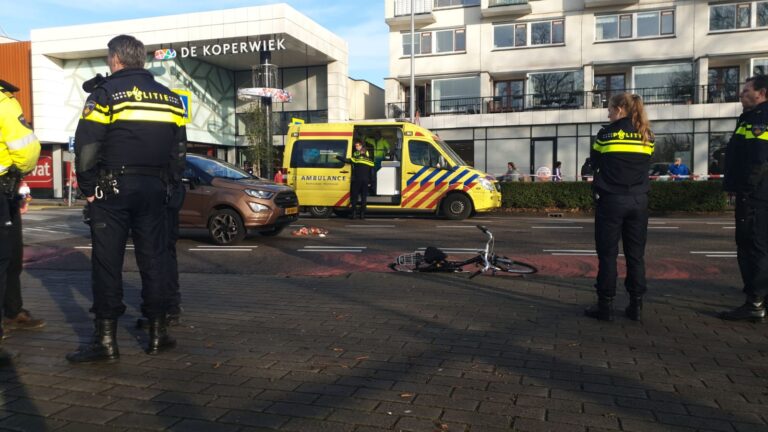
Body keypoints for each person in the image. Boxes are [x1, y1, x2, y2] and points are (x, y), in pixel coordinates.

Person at [66, 35, 187, 363]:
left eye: (109, 57)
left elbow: (88, 146)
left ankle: (105, 342)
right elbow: (179, 152)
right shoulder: (171, 99)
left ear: (116, 59)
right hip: (155, 190)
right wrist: (172, 184)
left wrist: (89, 189)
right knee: (155, 260)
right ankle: (158, 334)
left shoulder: (104, 94)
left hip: (112, 191)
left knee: (107, 264)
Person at [586, 93, 654, 321]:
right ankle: (637, 305)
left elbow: (594, 162)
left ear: (620, 109)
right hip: (639, 201)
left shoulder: (606, 134)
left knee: (608, 254)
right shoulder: (647, 135)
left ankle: (605, 305)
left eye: (610, 108)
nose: (608, 113)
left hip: (612, 200)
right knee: (636, 255)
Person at [0, 79, 43, 363]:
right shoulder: (3, 102)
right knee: (5, 257)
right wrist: (20, 172)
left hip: (8, 187)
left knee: (11, 254)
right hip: (3, 185)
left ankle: (13, 309)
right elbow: (26, 150)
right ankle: (11, 313)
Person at [720, 75, 768, 322]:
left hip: (757, 197)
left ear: (762, 93)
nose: (741, 93)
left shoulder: (760, 119)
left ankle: (755, 302)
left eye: (746, 90)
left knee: (752, 246)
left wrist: (745, 189)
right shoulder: (751, 117)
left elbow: (759, 159)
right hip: (759, 193)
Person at [339, 141, 373, 219]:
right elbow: (372, 172)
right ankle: (362, 215)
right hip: (365, 181)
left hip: (357, 180)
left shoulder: (356, 159)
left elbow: (346, 161)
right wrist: (371, 182)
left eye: (357, 146)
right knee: (364, 198)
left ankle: (354, 214)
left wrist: (337, 157)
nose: (356, 147)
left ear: (361, 151)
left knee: (354, 197)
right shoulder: (370, 161)